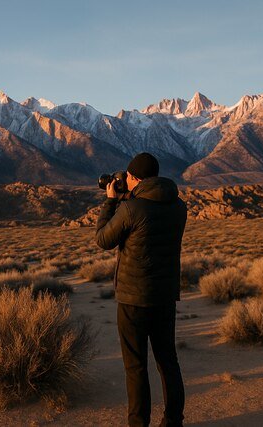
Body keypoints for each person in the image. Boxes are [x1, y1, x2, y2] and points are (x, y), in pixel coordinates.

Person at [95, 152, 187, 427]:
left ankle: (138, 423)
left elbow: (103, 239)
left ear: (133, 178)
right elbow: (150, 209)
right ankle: (173, 420)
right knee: (168, 361)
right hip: (165, 296)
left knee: (136, 367)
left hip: (134, 298)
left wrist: (110, 202)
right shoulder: (178, 206)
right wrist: (127, 199)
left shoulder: (131, 209)